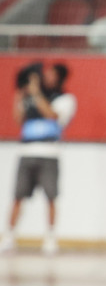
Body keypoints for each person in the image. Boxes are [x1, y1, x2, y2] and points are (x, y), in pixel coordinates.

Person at [1, 62, 77, 255]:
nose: (46, 77)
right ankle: (9, 236)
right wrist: (20, 96)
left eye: (51, 74)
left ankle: (50, 237)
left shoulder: (65, 99)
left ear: (59, 78)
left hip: (49, 152)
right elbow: (18, 119)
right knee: (18, 196)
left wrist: (36, 93)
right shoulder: (31, 97)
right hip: (26, 151)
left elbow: (51, 114)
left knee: (51, 196)